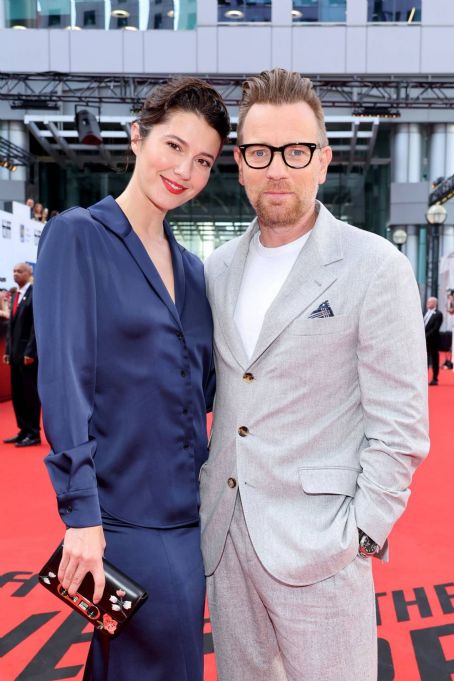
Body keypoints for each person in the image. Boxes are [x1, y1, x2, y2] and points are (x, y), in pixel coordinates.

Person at [199, 68, 429, 681]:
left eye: (296, 151)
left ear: (323, 161)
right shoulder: (216, 269)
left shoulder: (374, 266)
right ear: (240, 163)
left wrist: (361, 532)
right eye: (260, 151)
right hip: (226, 540)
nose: (278, 168)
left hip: (323, 545)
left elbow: (401, 423)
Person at [33, 77, 230, 681]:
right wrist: (82, 519)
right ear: (137, 137)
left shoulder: (195, 271)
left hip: (190, 514)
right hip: (121, 519)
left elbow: (205, 391)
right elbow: (64, 384)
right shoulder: (77, 236)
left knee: (127, 665)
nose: (185, 172)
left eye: (203, 160)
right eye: (173, 147)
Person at [2, 263, 41, 447]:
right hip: (15, 353)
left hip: (28, 354)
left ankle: (33, 433)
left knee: (29, 394)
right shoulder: (15, 295)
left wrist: (31, 351)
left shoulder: (35, 294)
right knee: (17, 393)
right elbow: (11, 327)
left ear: (29, 273)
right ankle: (23, 429)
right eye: (14, 271)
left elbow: (36, 326)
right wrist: (8, 350)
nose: (15, 274)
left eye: (19, 271)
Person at [424, 296, 443, 385]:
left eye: (430, 302)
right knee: (424, 359)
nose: (428, 303)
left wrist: (425, 336)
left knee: (435, 359)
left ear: (435, 303)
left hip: (433, 340)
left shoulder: (438, 314)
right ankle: (424, 377)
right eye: (428, 302)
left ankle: (435, 378)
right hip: (424, 341)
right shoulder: (425, 313)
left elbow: (435, 328)